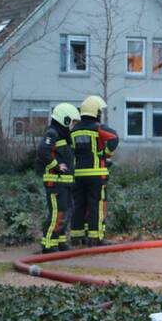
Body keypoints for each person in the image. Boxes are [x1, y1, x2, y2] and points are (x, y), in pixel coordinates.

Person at [70, 95, 119, 246]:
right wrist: (105, 153)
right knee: (96, 205)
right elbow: (114, 137)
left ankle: (77, 237)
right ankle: (95, 238)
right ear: (96, 112)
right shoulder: (97, 128)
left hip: (78, 174)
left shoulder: (74, 130)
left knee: (79, 205)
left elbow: (72, 150)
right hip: (96, 173)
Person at [36, 102, 80, 254]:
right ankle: (48, 244)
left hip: (65, 183)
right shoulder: (52, 133)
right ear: (65, 120)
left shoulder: (64, 137)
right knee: (58, 212)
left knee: (67, 211)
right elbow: (43, 151)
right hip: (55, 183)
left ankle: (60, 241)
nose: (73, 126)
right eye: (73, 122)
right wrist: (56, 165)